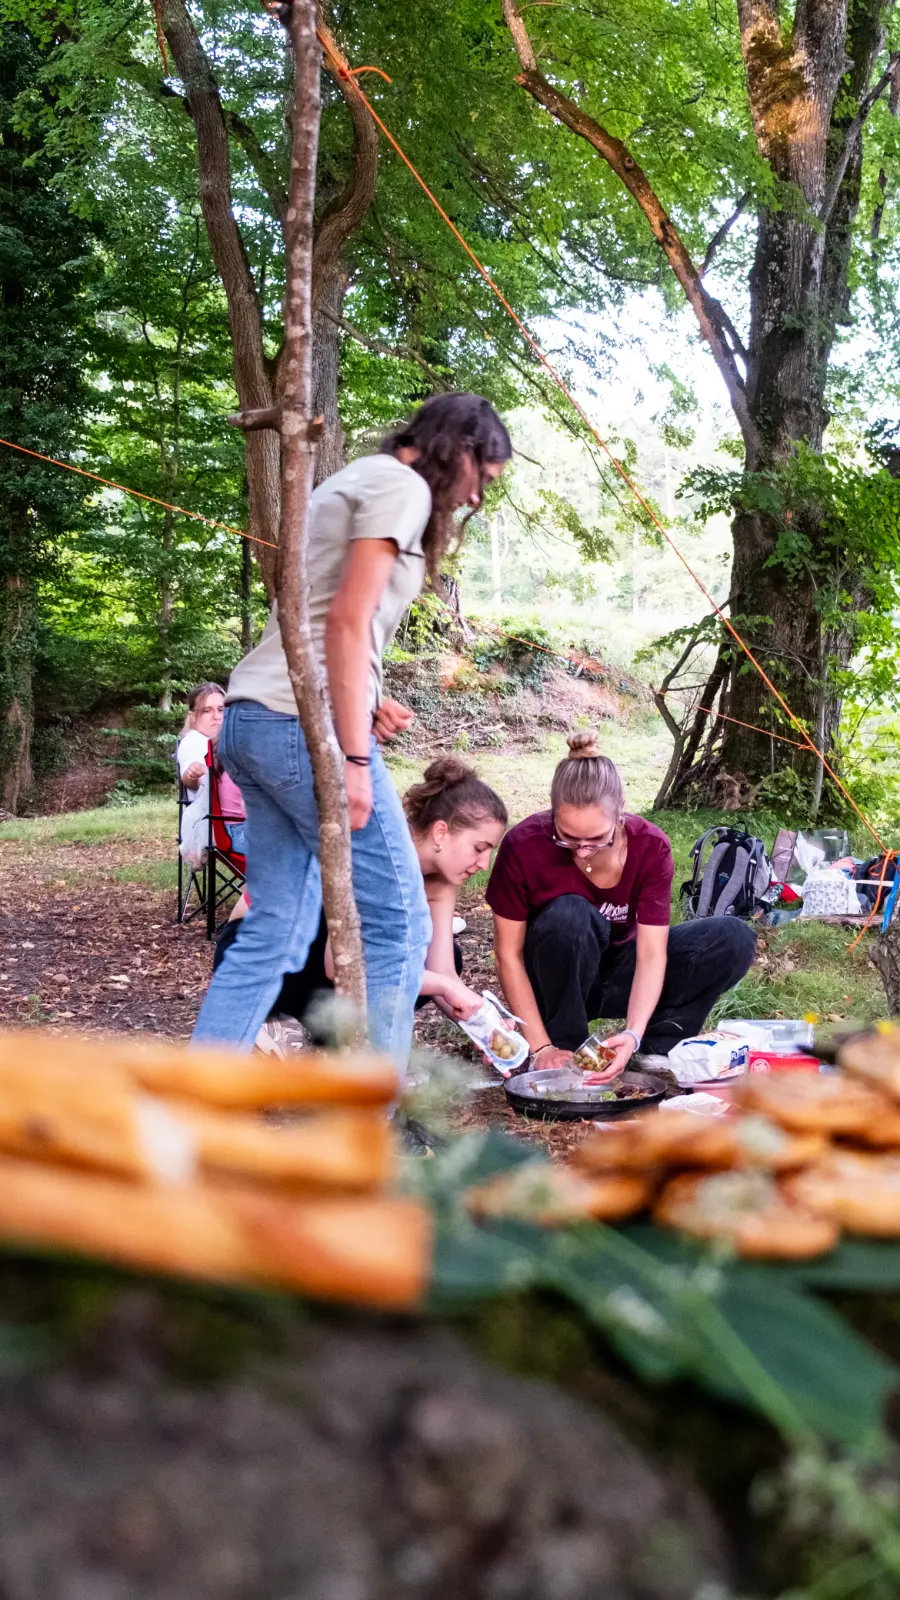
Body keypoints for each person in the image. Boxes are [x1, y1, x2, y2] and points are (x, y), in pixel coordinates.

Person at [191, 393, 512, 1064]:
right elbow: (345, 619)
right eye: (482, 476)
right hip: (300, 728)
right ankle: (375, 1113)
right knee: (398, 921)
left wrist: (368, 701)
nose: (477, 498)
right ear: (457, 449)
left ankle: (198, 1093)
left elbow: (316, 620)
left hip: (251, 717)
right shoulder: (403, 487)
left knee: (275, 930)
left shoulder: (362, 477)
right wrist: (356, 759)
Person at [486, 731, 756, 1080]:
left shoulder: (651, 847)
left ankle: (656, 1045)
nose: (583, 851)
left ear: (621, 811)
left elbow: (651, 954)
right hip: (553, 975)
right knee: (569, 914)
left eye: (597, 839)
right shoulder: (523, 845)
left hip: (616, 972)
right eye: (567, 837)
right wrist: (540, 1048)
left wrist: (633, 1032)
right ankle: (563, 1047)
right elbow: (508, 955)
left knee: (732, 937)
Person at [214, 756, 508, 1055]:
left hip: (317, 963)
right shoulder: (380, 853)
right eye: (479, 848)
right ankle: (277, 1022)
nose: (484, 864)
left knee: (439, 956)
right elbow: (340, 964)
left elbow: (442, 969)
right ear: (441, 832)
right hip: (261, 950)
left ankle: (326, 1040)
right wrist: (444, 986)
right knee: (388, 948)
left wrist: (484, 1027)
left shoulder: (443, 878)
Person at [177, 682, 247, 866]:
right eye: (207, 710)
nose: (217, 716)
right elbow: (192, 779)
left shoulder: (230, 743)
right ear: (193, 716)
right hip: (226, 827)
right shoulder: (194, 742)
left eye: (221, 709)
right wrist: (192, 774)